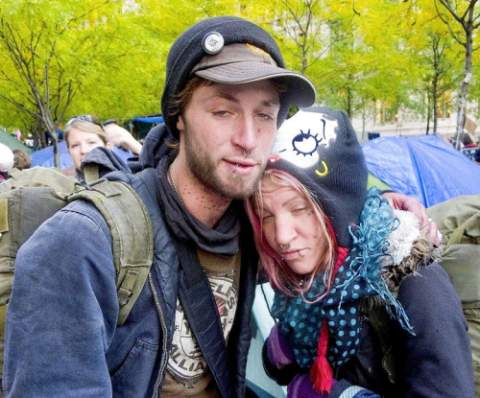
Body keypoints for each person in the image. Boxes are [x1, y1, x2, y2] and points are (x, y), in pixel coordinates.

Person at [3, 16, 435, 398]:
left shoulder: (252, 221)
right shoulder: (82, 243)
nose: (248, 138)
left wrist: (374, 207)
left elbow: (318, 202)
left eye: (264, 115)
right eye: (223, 111)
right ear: (178, 116)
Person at [245, 108, 474, 397]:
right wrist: (284, 349)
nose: (282, 236)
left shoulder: (416, 284)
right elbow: (282, 368)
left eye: (300, 209)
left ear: (339, 205)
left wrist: (342, 395)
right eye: (266, 215)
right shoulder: (306, 276)